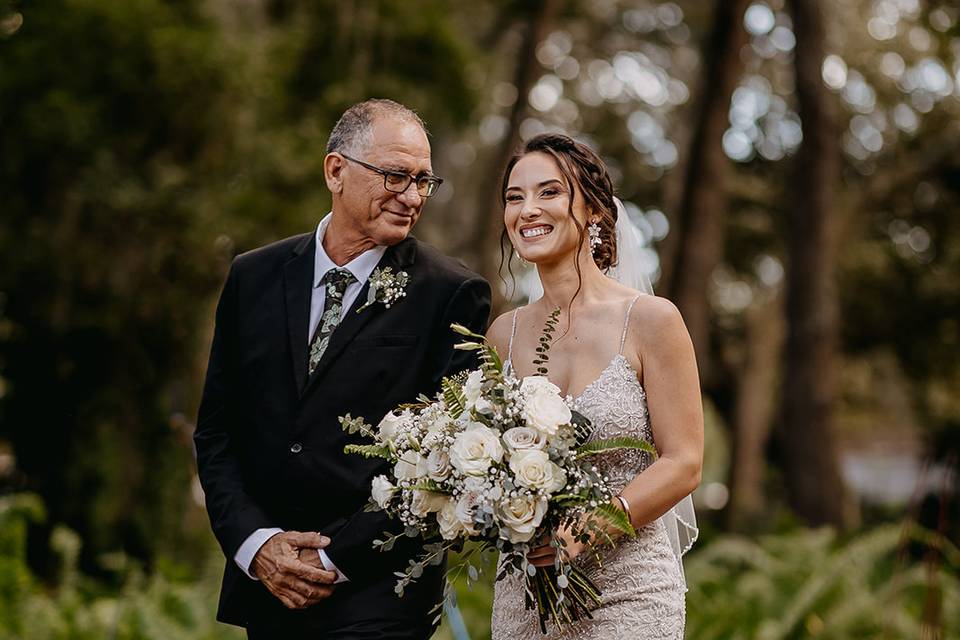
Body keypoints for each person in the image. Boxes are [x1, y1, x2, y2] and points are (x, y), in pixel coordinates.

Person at [194, 98, 491, 639]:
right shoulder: (252, 277)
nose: (413, 196)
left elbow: (445, 461)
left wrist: (331, 562)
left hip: (377, 596)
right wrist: (257, 545)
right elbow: (217, 432)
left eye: (425, 181)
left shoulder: (451, 294)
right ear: (336, 170)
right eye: (396, 176)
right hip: (267, 590)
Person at [486, 133, 703, 639]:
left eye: (549, 192)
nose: (527, 210)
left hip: (630, 594)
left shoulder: (651, 320)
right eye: (514, 197)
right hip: (525, 599)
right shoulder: (503, 335)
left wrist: (590, 528)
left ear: (594, 212)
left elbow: (684, 462)